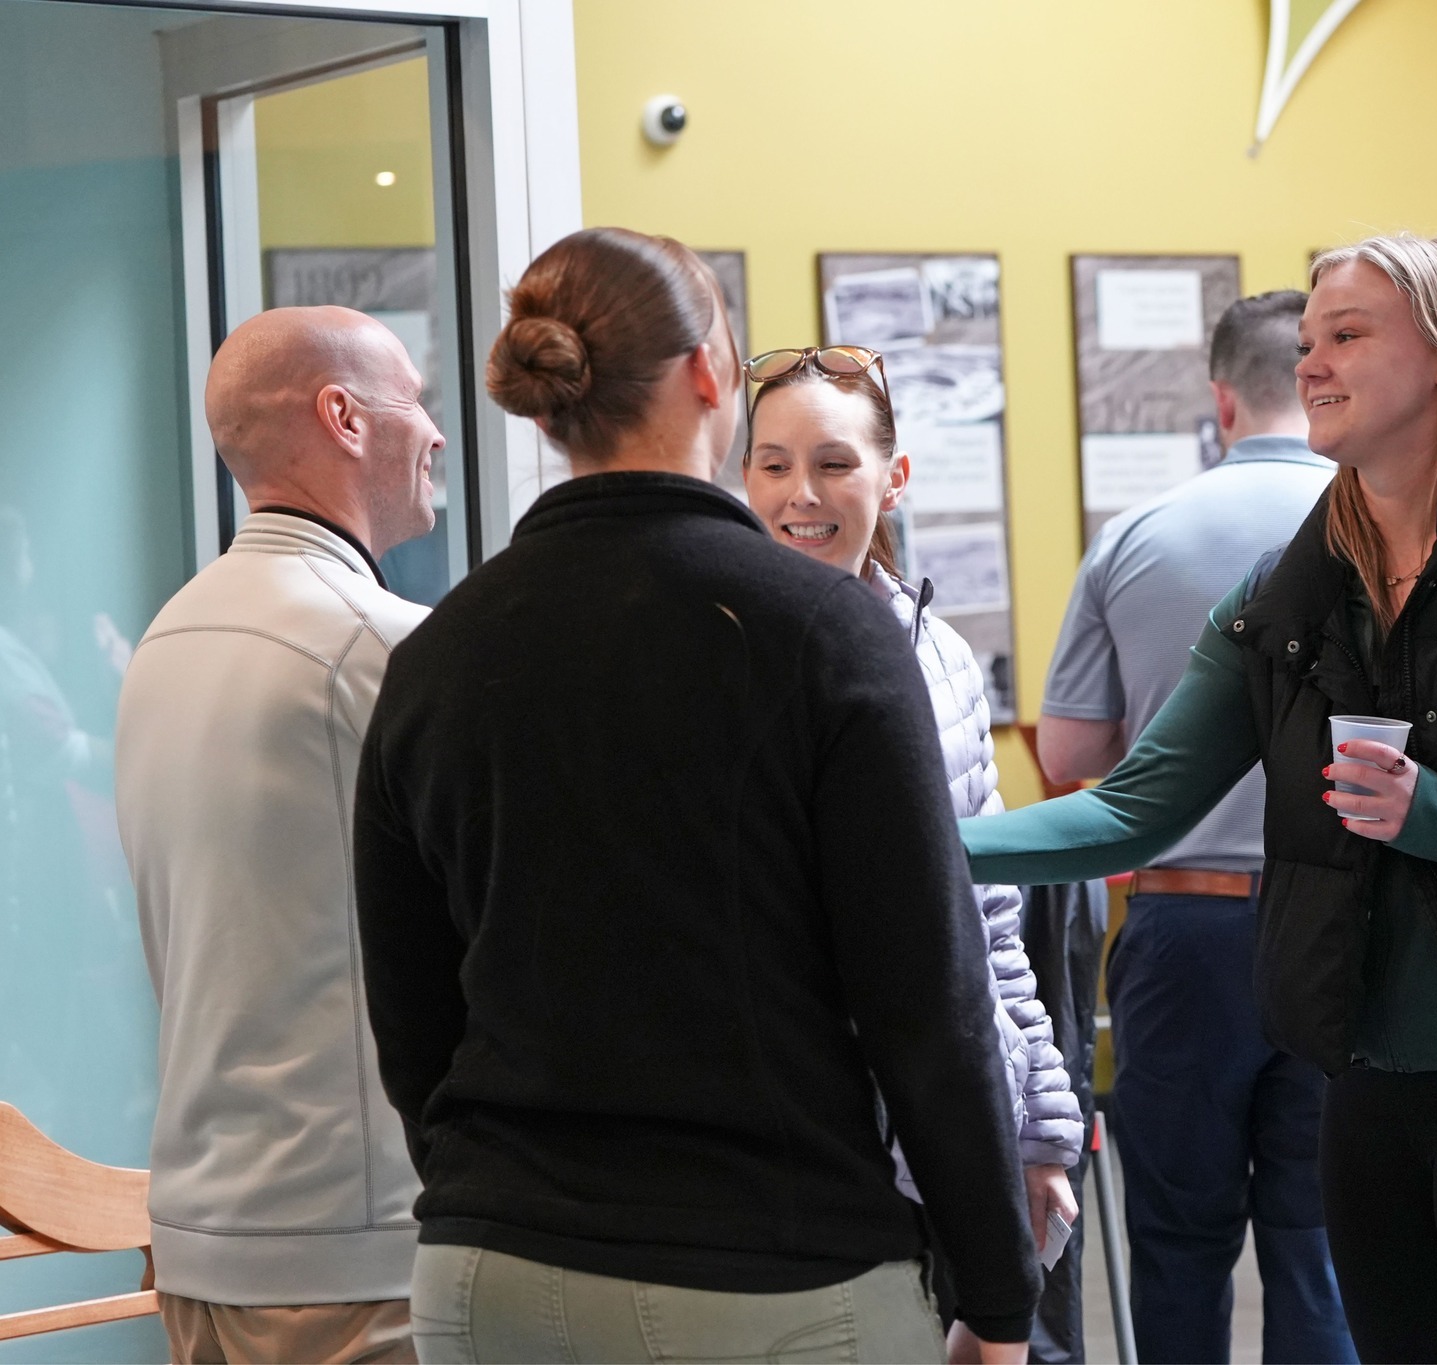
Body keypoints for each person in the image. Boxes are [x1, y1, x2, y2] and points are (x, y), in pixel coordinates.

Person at [350, 228, 1039, 1365]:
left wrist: (507, 1195)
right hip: (775, 1274)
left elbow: (412, 1015)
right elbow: (927, 1002)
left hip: (492, 1273)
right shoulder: (825, 635)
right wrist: (1000, 1298)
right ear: (710, 376)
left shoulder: (439, 651)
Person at [963, 235, 1437, 1363]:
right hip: (1360, 1073)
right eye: (1305, 344)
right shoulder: (1291, 585)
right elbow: (1129, 809)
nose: (1311, 367)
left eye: (1346, 336)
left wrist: (1433, 815)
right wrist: (910, 843)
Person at [739, 343, 1084, 1362]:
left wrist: (1038, 1127)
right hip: (799, 1156)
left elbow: (986, 921)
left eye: (834, 463)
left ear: (894, 477)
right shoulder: (726, 648)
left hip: (950, 1134)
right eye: (771, 463)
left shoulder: (936, 653)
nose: (801, 494)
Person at [115, 306, 442, 1364]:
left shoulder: (168, 637)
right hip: (350, 1257)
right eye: (415, 401)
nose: (435, 433)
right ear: (343, 418)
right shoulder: (377, 649)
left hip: (202, 1243)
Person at [1034, 290, 1351, 1365]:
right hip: (1347, 929)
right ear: (1316, 384)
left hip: (1185, 934)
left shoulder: (1136, 536)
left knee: (1175, 1242)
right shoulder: (1379, 527)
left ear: (1219, 399)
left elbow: (1070, 765)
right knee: (1324, 1247)